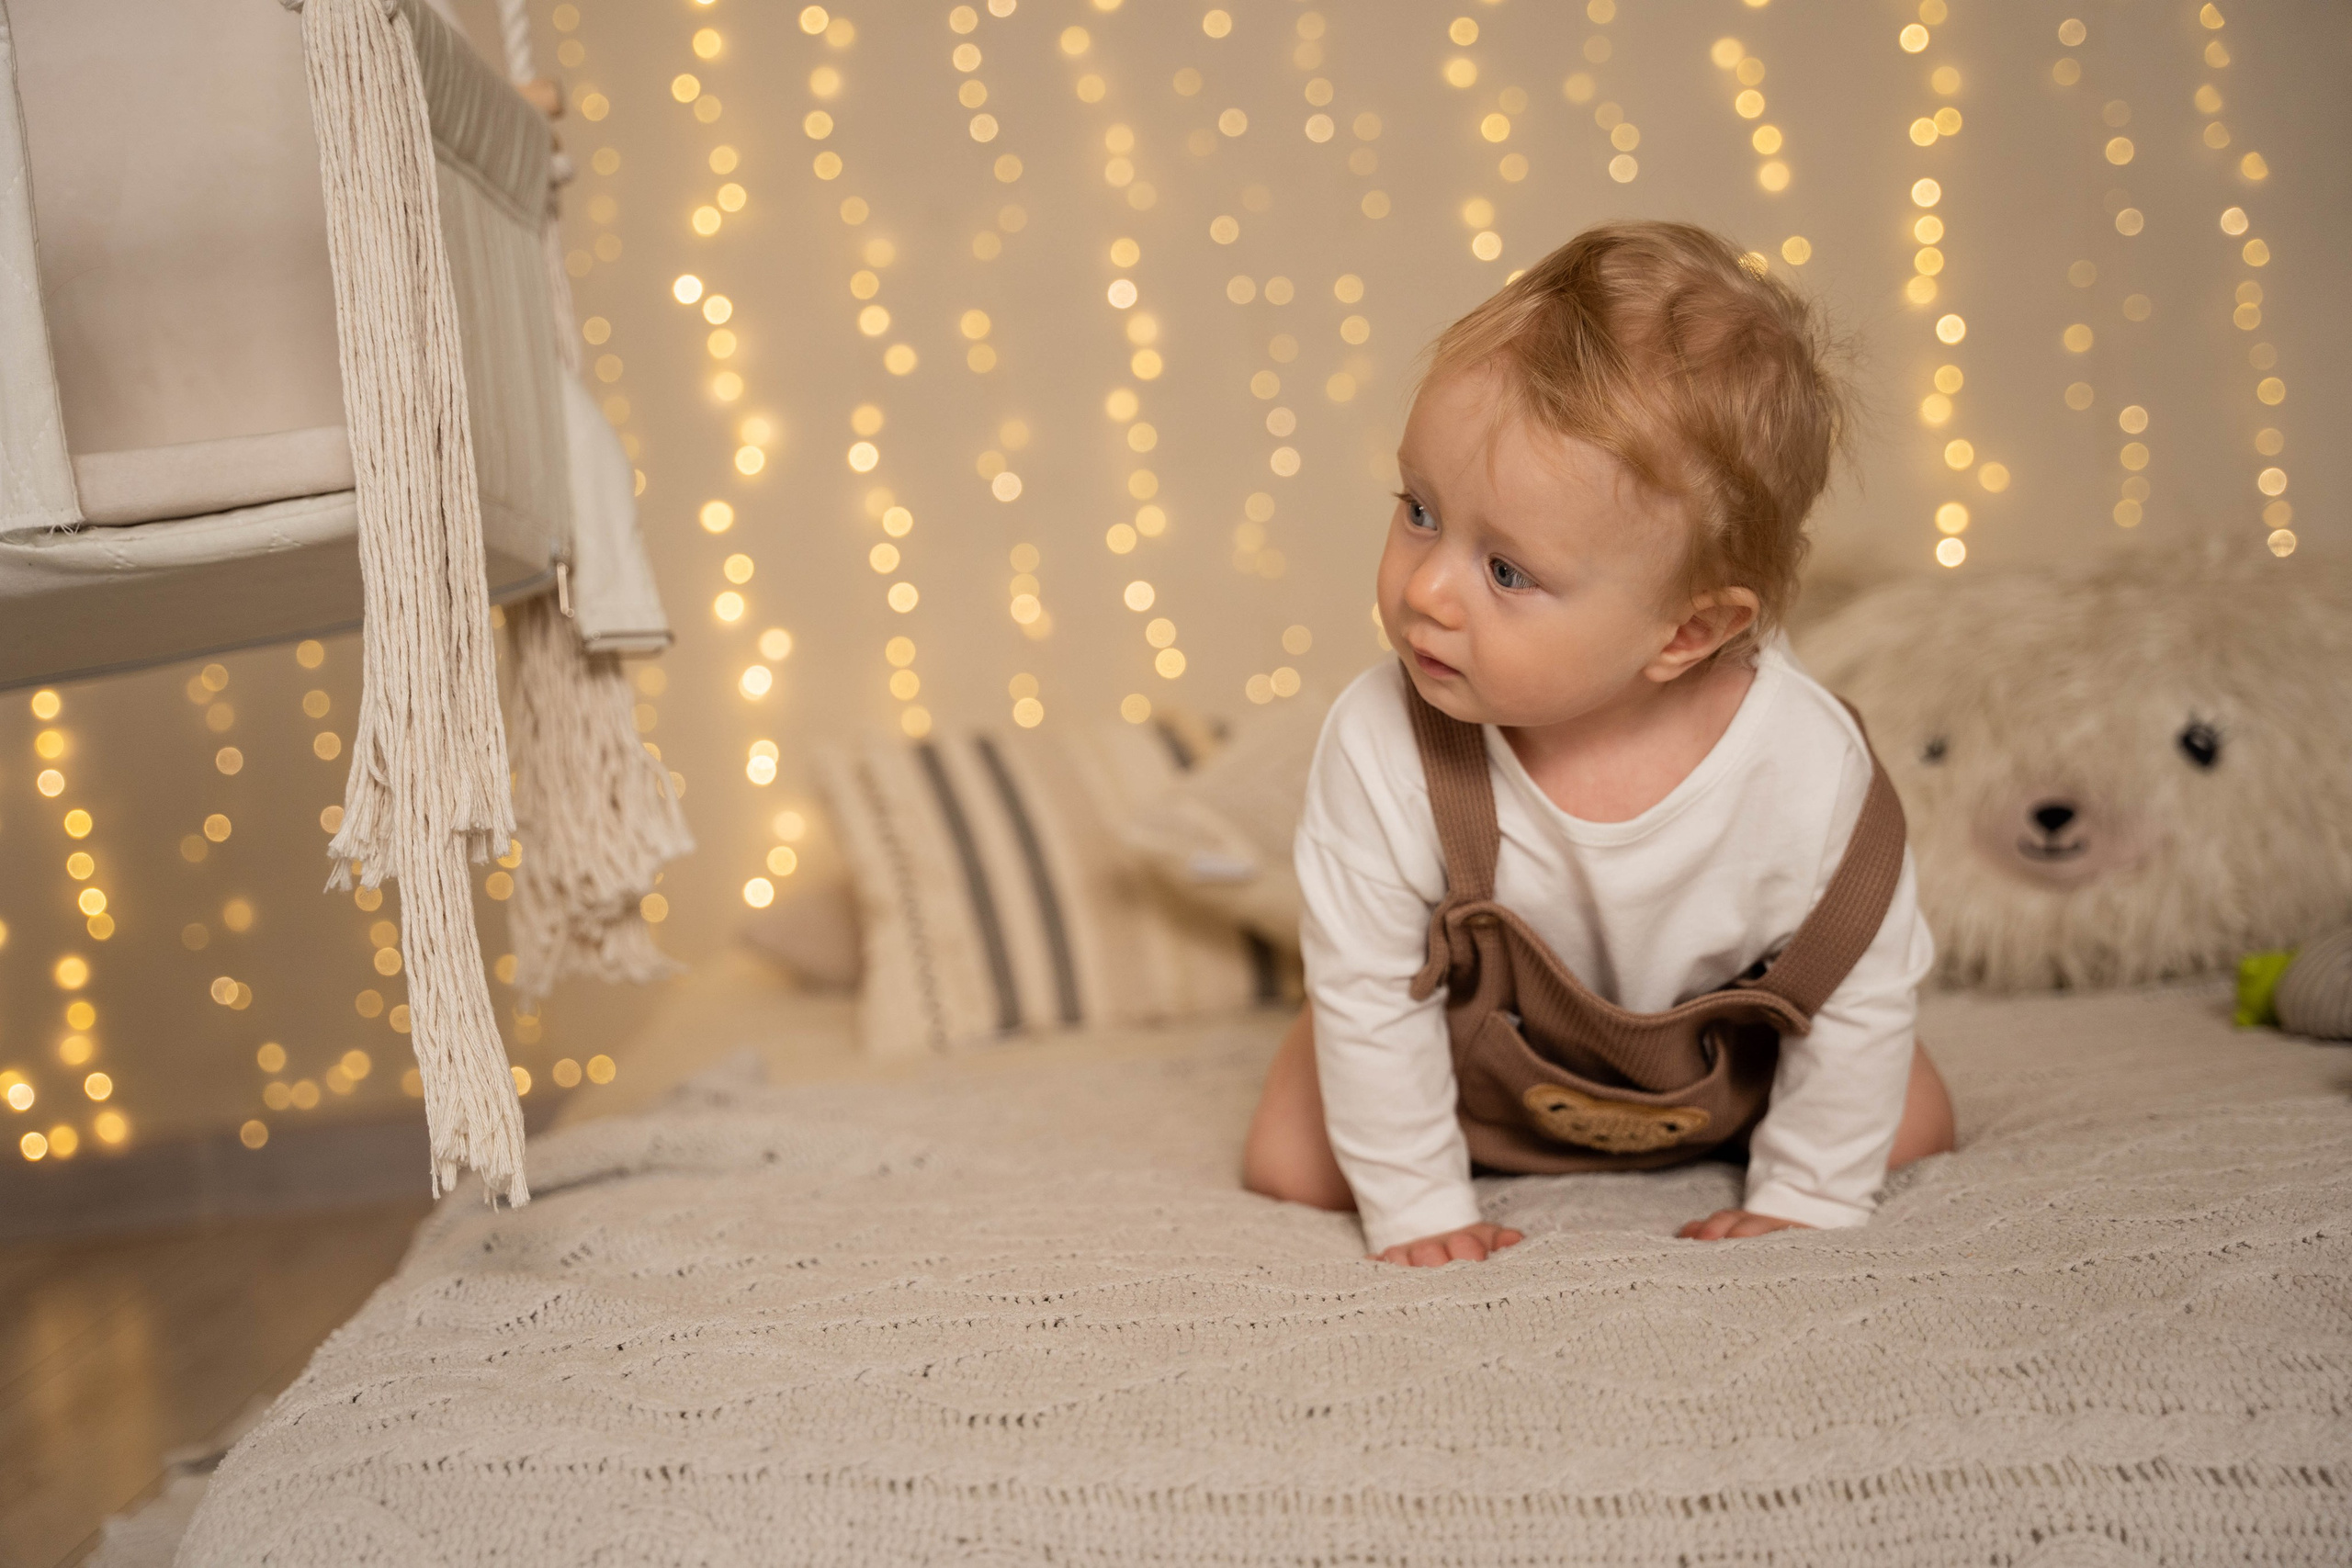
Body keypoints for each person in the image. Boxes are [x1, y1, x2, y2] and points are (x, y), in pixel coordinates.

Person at [1243, 221, 1954, 1268]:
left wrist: (1806, 1190)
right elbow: (1366, 984)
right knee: (1292, 1163)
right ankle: (1398, 1108)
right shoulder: (1383, 741)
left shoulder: (1801, 767)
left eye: (1507, 572)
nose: (1427, 590)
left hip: (1712, 1075)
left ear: (1689, 633)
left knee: (1901, 1120)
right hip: (1470, 1057)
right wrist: (1419, 1205)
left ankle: (1790, 1138)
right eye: (1421, 511)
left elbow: (1854, 985)